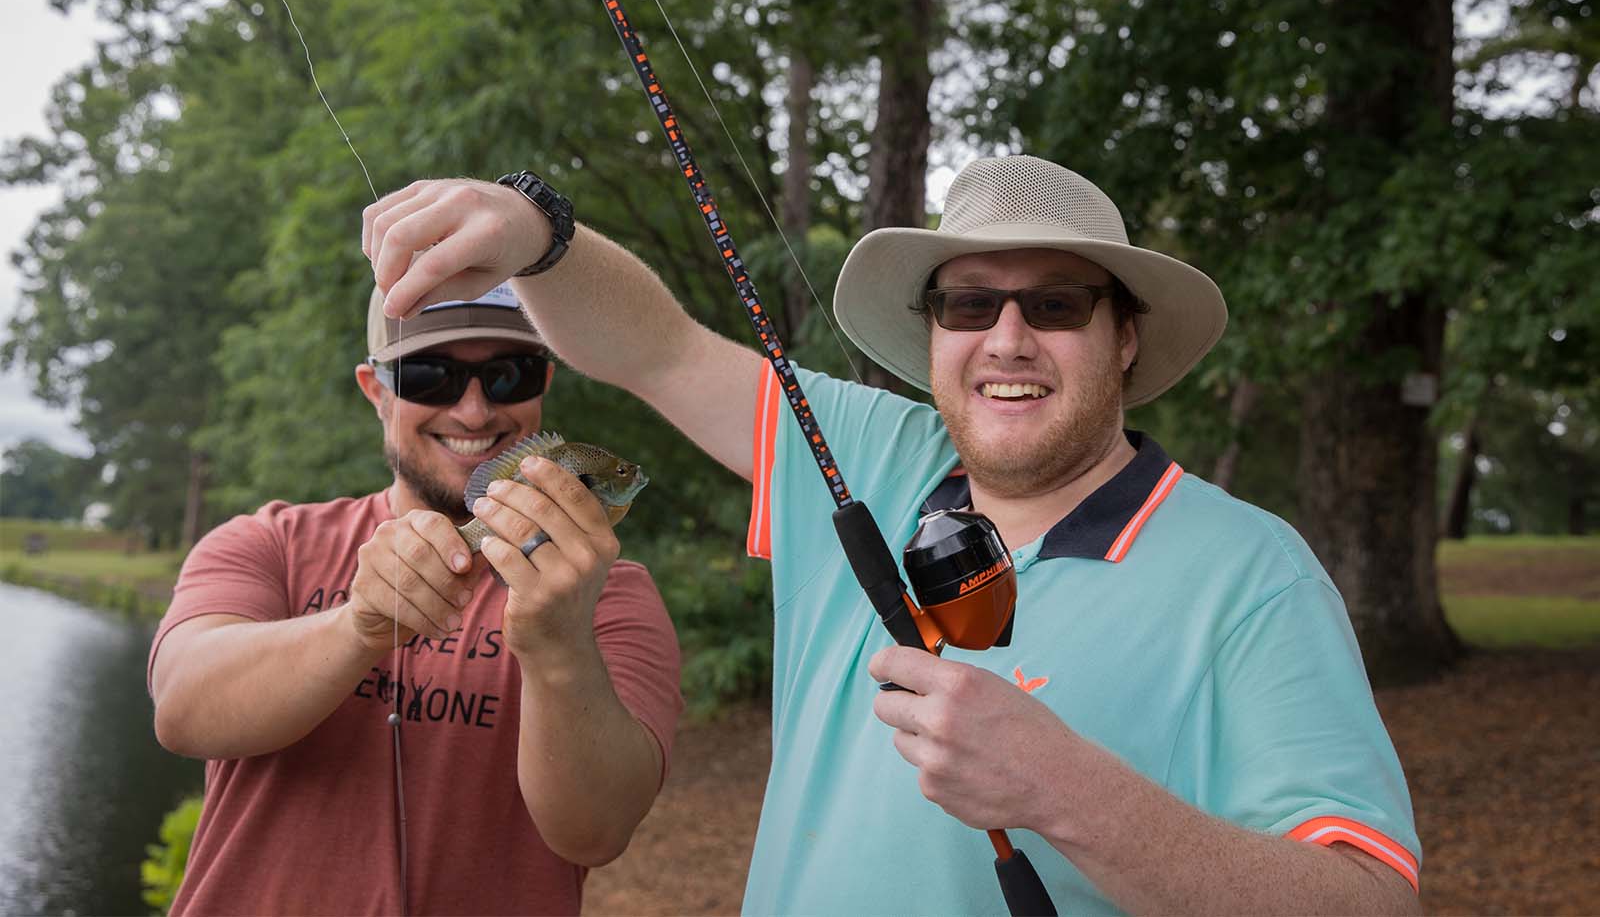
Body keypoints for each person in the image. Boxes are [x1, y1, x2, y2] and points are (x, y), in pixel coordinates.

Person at [364, 155, 1421, 915]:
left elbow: (1369, 895)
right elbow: (656, 347)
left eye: (1056, 303)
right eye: (969, 304)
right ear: (933, 332)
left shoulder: (1251, 570)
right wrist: (538, 231)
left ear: (1125, 336)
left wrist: (1068, 789)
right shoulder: (864, 451)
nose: (1008, 338)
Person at [148, 282, 681, 915]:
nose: (474, 412)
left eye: (509, 374)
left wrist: (560, 644)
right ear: (375, 390)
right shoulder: (270, 543)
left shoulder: (610, 594)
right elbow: (181, 710)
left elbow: (596, 832)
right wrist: (358, 627)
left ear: (543, 384)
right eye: (428, 376)